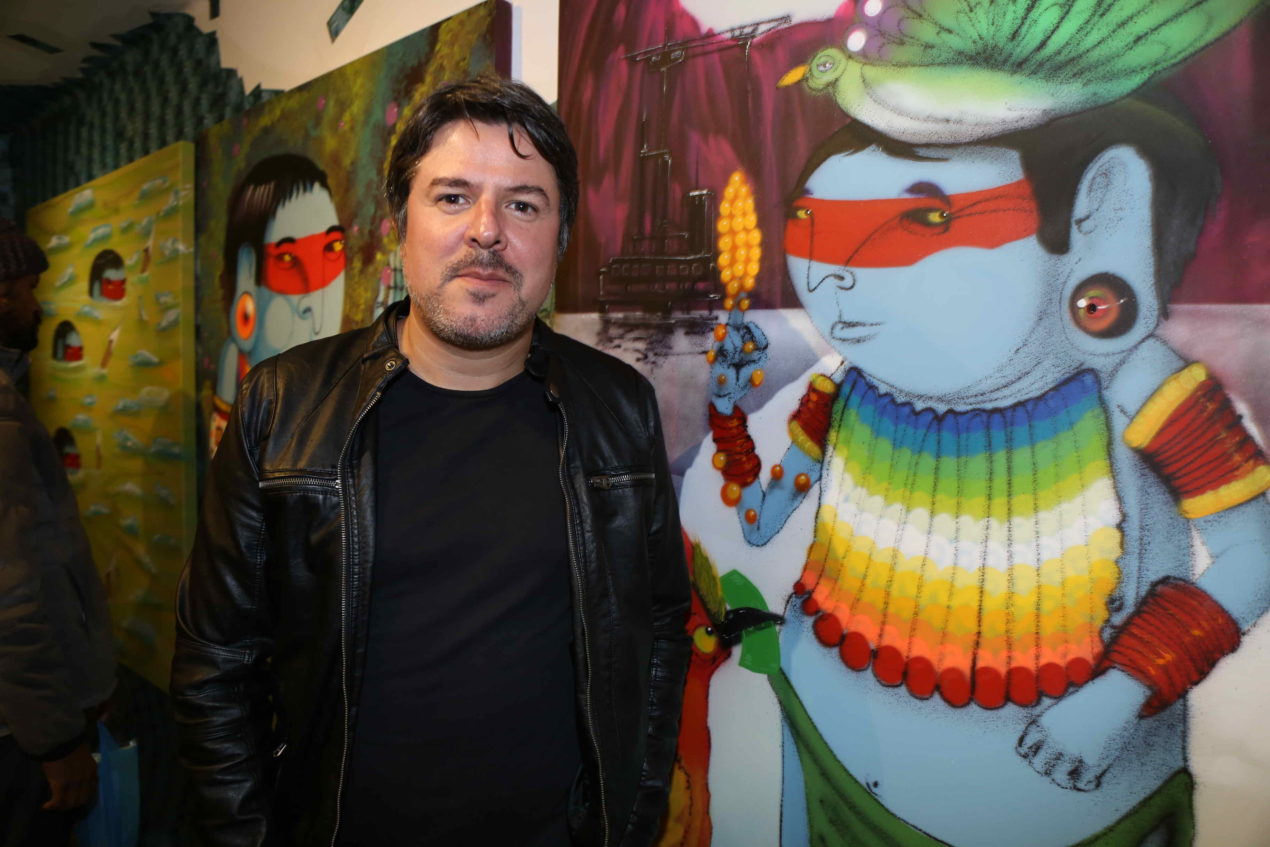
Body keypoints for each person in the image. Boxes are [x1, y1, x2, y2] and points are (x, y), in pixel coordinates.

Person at [690, 93, 1270, 846]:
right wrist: (729, 415)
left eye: (924, 218)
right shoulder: (841, 385)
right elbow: (761, 521)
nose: (835, 274)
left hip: (1064, 813)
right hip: (825, 756)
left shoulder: (1141, 384)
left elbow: (1257, 549)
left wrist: (1120, 696)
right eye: (811, 225)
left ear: (1100, 216)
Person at [172, 77, 691, 847]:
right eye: (453, 197)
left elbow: (659, 630)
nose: (487, 231)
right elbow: (215, 665)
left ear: (561, 239)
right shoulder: (282, 406)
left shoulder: (619, 408)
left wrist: (636, 820)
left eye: (524, 204)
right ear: (400, 224)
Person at [0, 218, 116, 846]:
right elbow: (10, 599)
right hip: (17, 738)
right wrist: (56, 740)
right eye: (29, 290)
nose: (38, 307)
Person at [207, 154, 347, 455]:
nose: (315, 304)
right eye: (286, 258)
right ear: (247, 270)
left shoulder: (348, 370)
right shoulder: (236, 364)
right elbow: (225, 469)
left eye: (333, 247)